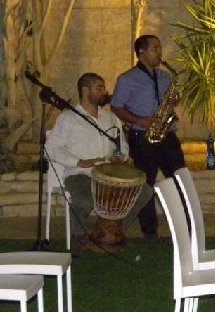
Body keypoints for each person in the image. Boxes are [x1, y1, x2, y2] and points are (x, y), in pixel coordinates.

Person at [45, 72, 153, 249]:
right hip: (81, 174)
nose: (104, 91)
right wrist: (78, 162)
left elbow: (122, 146)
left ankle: (112, 230)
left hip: (110, 176)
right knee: (85, 200)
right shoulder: (68, 118)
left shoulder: (110, 118)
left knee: (146, 192)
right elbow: (50, 148)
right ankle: (78, 236)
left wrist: (120, 156)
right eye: (99, 87)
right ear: (85, 90)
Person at [111, 35, 186, 241]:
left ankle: (186, 226)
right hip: (143, 137)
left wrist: (173, 101)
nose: (159, 52)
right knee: (147, 185)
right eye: (155, 48)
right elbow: (116, 107)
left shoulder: (165, 77)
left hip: (168, 135)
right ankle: (150, 232)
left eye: (160, 48)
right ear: (141, 52)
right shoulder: (126, 79)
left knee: (180, 179)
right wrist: (139, 120)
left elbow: (170, 103)